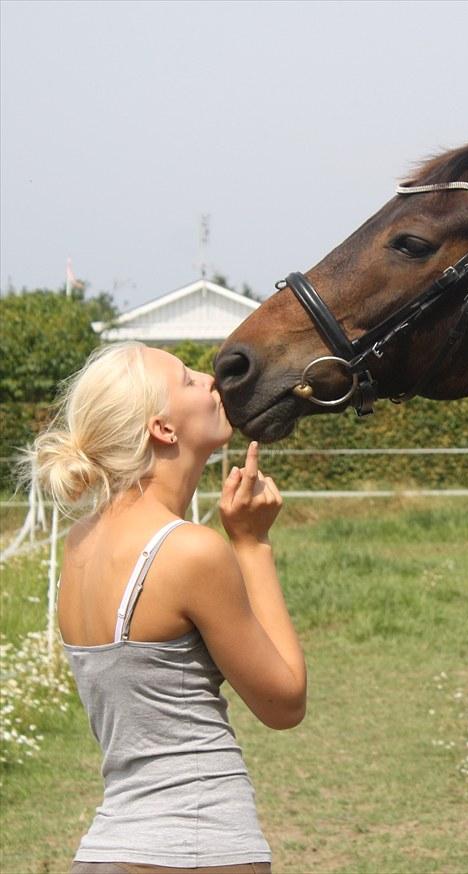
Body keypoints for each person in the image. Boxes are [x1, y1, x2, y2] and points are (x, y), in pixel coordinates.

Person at [27, 340, 306, 874]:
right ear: (162, 429)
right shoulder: (189, 551)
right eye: (186, 378)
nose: (208, 379)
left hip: (106, 849)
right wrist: (251, 544)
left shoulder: (80, 545)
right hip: (199, 846)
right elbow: (284, 703)